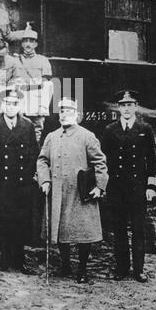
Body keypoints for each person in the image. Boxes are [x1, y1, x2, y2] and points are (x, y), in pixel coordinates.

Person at [37, 98, 108, 283]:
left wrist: (100, 186)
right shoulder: (51, 137)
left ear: (76, 114)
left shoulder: (87, 136)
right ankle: (65, 264)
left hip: (80, 193)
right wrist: (44, 180)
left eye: (68, 111)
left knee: (83, 234)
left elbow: (100, 162)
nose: (64, 115)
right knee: (61, 232)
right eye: (61, 111)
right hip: (58, 193)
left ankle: (82, 270)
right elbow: (42, 160)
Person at [101, 90, 156, 283]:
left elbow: (151, 159)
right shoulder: (110, 130)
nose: (126, 108)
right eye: (123, 105)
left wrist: (151, 186)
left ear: (135, 107)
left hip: (138, 188)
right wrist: (104, 185)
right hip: (117, 188)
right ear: (119, 108)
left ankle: (139, 270)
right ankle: (122, 268)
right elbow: (104, 159)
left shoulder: (145, 129)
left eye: (130, 105)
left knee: (138, 229)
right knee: (119, 230)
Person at [0, 88, 39, 274]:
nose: (11, 107)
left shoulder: (27, 125)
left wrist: (31, 175)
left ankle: (20, 260)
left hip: (22, 183)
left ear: (19, 105)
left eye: (15, 103)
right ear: (2, 105)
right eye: (7, 103)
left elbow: (34, 153)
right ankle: (5, 260)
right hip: (1, 183)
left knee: (21, 222)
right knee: (4, 221)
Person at [18, 25, 53, 145]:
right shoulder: (15, 60)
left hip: (36, 103)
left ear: (36, 44)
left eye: (31, 41)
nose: (28, 44)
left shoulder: (43, 60)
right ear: (22, 44)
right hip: (20, 102)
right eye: (25, 41)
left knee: (36, 134)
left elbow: (45, 83)